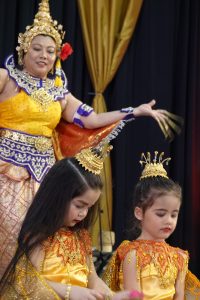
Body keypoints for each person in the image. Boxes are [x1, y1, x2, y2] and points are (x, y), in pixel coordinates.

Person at [0, 0, 182, 277]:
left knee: (39, 241)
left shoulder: (59, 93)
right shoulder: (5, 79)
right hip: (5, 170)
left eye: (50, 51)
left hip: (45, 178)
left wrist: (134, 111)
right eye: (37, 49)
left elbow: (91, 120)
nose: (44, 56)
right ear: (24, 50)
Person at [0, 143, 143, 300]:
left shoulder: (81, 238)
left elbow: (93, 280)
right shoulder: (38, 235)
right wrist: (69, 291)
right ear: (58, 196)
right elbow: (28, 283)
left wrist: (113, 296)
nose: (83, 213)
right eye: (79, 205)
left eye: (89, 207)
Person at [102, 151, 200, 299]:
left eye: (174, 214)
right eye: (161, 214)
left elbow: (179, 296)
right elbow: (133, 296)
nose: (169, 220)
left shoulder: (179, 256)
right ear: (139, 213)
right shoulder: (133, 254)